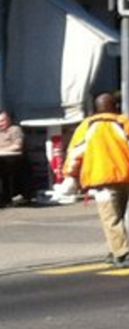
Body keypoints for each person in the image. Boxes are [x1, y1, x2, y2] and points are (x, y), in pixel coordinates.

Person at [62, 92, 129, 268]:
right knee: (122, 217)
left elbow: (75, 154)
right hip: (125, 178)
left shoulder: (87, 126)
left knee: (111, 219)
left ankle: (122, 253)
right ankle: (116, 248)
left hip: (102, 181)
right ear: (114, 107)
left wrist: (70, 176)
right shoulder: (124, 122)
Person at [0, 109, 32, 205]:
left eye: (2, 121)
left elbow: (17, 146)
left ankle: (8, 197)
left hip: (14, 160)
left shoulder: (15, 129)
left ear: (9, 120)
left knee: (3, 167)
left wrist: (1, 151)